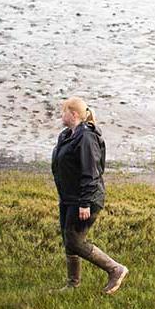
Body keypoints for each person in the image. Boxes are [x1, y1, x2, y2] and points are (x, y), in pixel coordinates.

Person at [51, 97, 128, 294]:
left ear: (73, 114)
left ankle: (115, 269)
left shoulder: (86, 137)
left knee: (75, 241)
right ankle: (72, 284)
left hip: (85, 199)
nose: (61, 115)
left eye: (63, 112)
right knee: (69, 238)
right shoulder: (67, 135)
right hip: (69, 198)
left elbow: (91, 172)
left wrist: (84, 203)